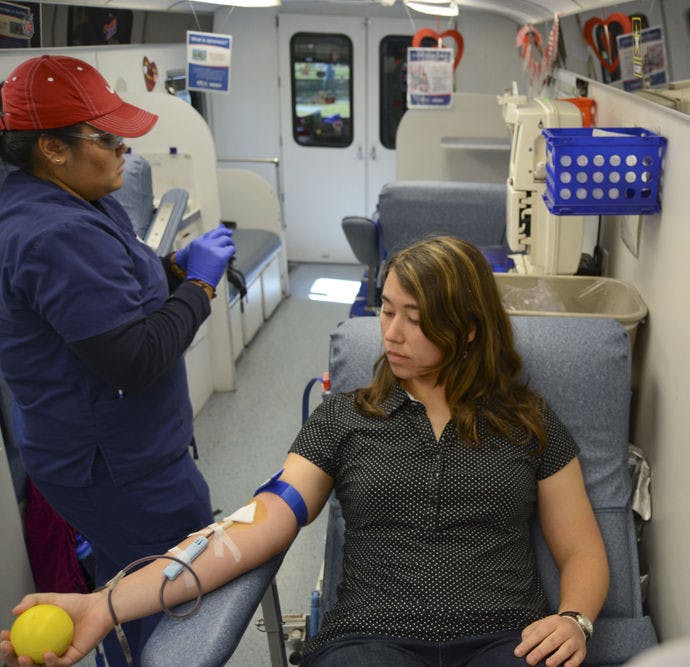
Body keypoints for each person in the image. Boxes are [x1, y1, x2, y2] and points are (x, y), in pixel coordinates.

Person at [1, 235, 609, 667]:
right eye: (387, 311)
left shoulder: (529, 423)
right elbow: (248, 531)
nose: (389, 333)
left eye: (414, 319)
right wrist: (106, 606)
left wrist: (574, 618)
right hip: (372, 641)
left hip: (507, 638)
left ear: (469, 328)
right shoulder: (346, 418)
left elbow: (580, 547)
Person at [0, 55, 235, 665]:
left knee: (122, 577)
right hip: (117, 464)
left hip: (111, 447)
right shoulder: (53, 233)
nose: (125, 148)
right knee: (168, 591)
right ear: (52, 148)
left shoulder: (82, 198)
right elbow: (135, 357)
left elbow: (122, 284)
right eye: (108, 138)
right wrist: (201, 289)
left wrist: (174, 269)